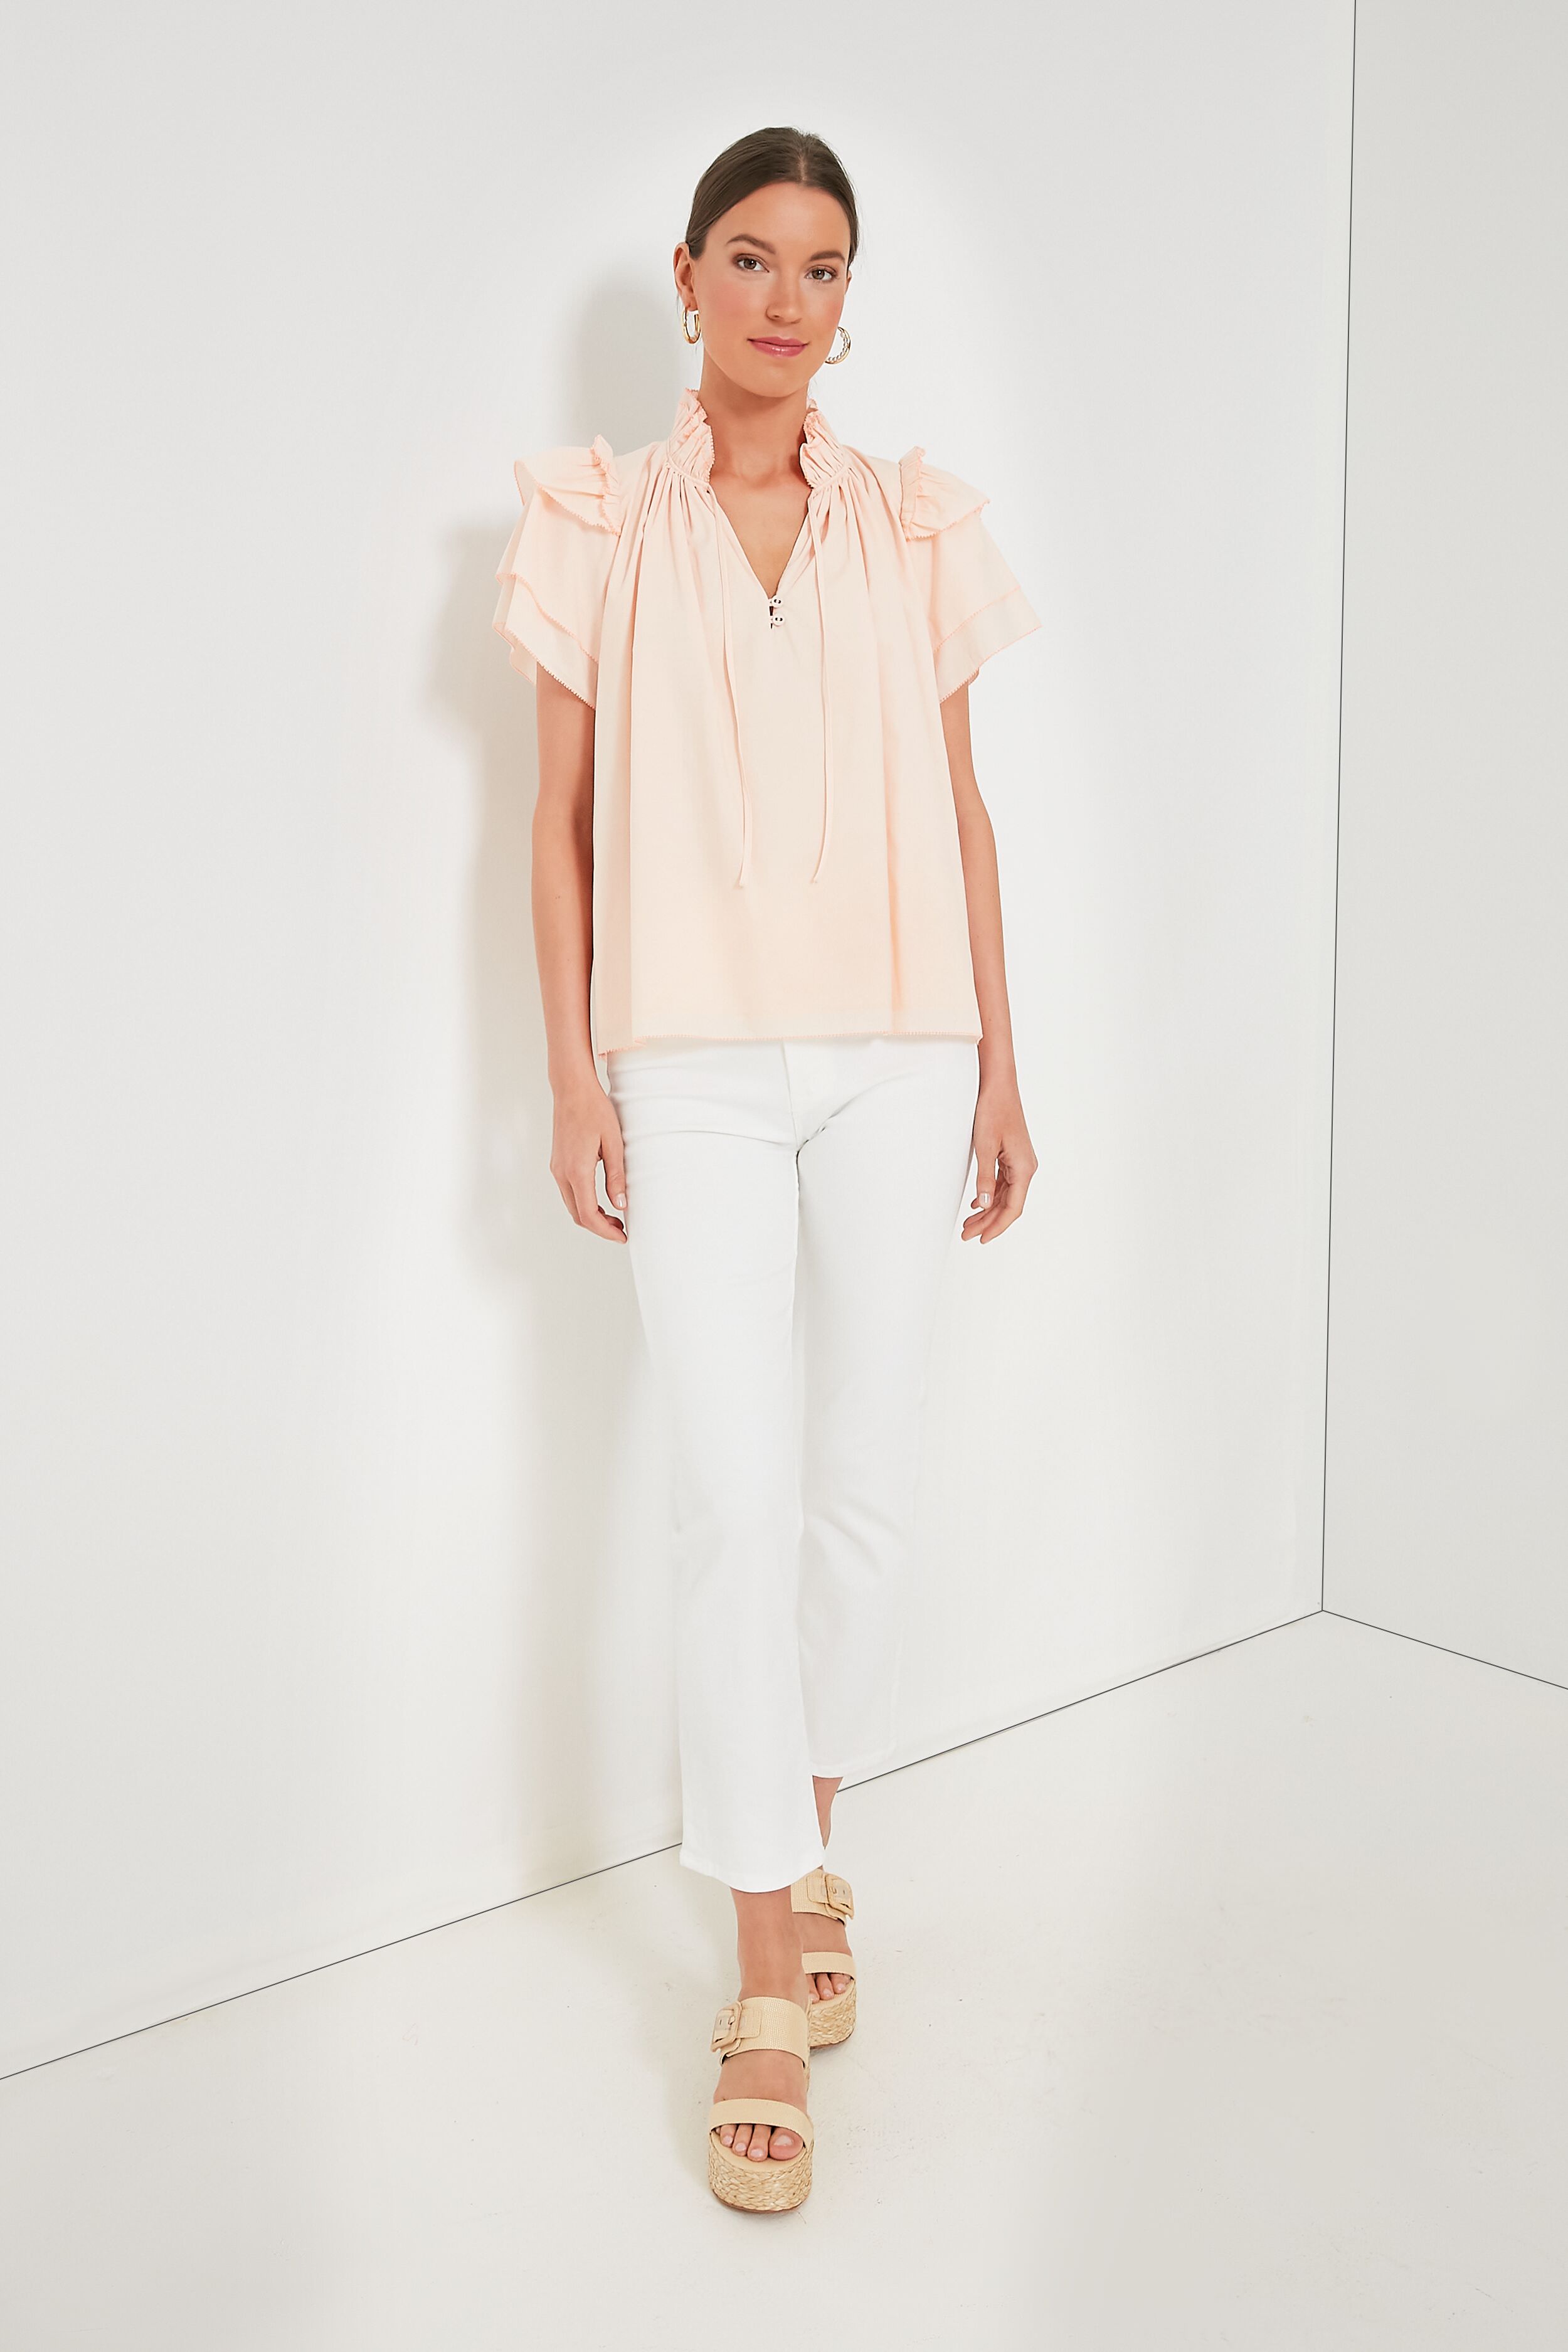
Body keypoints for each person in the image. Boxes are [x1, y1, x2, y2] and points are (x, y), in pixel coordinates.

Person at [494, 125, 1041, 2212]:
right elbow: (556, 824)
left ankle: (796, 1834)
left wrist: (1001, 1064)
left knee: (864, 1484)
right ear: (685, 275)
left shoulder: (912, 526)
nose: (783, 299)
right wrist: (572, 1074)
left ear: (845, 300)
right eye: (748, 257)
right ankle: (756, 1972)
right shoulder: (593, 522)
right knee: (730, 1499)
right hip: (692, 1064)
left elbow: (964, 812)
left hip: (904, 1047)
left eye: (820, 267)